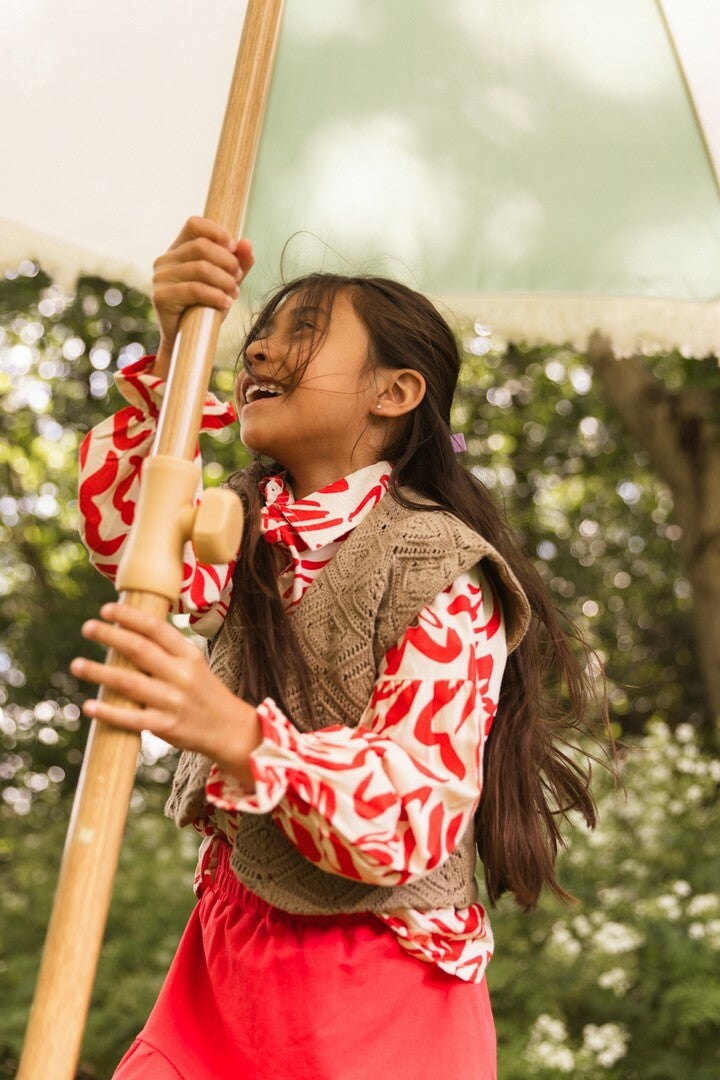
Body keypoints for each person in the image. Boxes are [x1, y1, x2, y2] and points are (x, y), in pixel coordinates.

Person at [72, 216, 600, 1080]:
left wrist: (237, 734)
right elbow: (126, 535)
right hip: (226, 954)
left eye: (303, 333)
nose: (258, 352)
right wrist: (175, 349)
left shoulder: (441, 569)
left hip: (373, 980)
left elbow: (414, 815)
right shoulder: (246, 523)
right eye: (258, 336)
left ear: (394, 392)